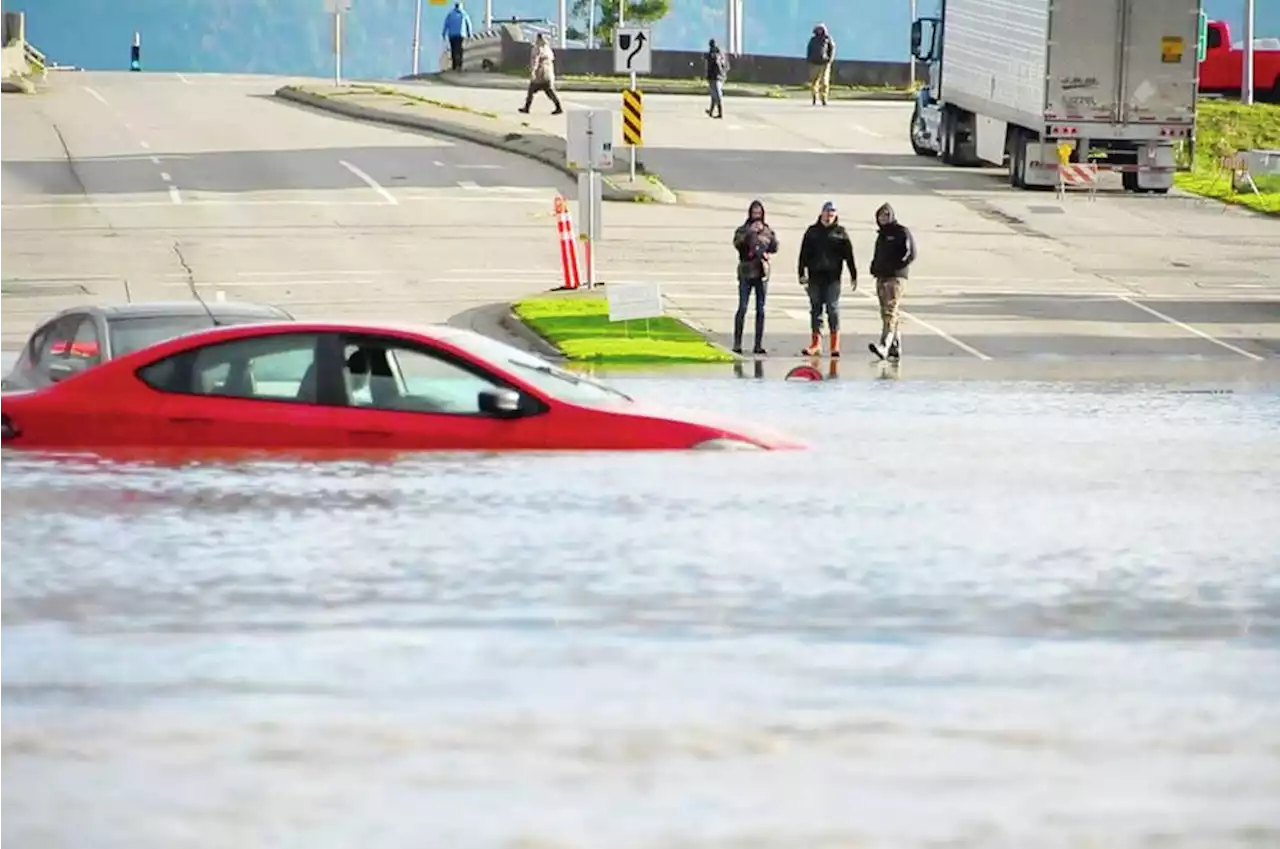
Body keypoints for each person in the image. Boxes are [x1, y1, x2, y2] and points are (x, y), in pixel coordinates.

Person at [797, 200, 857, 357]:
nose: (829, 215)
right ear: (822, 213)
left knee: (833, 309)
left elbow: (849, 255)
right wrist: (801, 273)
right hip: (815, 277)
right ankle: (815, 344)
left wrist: (853, 275)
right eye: (827, 211)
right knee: (815, 309)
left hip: (833, 278)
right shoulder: (812, 231)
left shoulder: (841, 233)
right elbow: (803, 254)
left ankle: (834, 345)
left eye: (832, 212)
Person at [868, 202, 916, 361]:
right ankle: (895, 345)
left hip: (895, 278)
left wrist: (896, 267)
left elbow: (910, 253)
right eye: (881, 215)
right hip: (881, 277)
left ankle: (884, 345)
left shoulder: (901, 232)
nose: (883, 218)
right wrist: (874, 266)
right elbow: (878, 254)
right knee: (887, 313)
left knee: (890, 310)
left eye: (886, 215)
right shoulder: (881, 235)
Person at [731, 199, 778, 355]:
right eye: (754, 213)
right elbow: (737, 244)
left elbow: (774, 246)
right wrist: (750, 233)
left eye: (759, 213)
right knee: (742, 307)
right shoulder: (743, 230)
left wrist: (765, 240)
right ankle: (737, 343)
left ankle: (758, 344)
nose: (757, 216)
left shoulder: (767, 230)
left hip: (761, 273)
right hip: (746, 271)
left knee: (760, 309)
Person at [519, 33, 563, 115]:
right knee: (550, 91)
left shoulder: (537, 48)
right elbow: (552, 59)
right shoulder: (548, 49)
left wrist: (533, 71)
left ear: (538, 39)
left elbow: (536, 60)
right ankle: (558, 107)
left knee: (531, 90)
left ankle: (527, 108)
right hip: (548, 74)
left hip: (540, 74)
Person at [805, 23, 835, 106]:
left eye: (821, 29)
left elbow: (832, 49)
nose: (819, 31)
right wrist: (809, 59)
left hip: (824, 63)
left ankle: (824, 98)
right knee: (814, 81)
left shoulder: (827, 39)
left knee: (824, 81)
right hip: (814, 63)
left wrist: (830, 59)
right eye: (818, 29)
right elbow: (809, 49)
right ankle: (814, 96)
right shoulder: (813, 39)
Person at [442, 2, 473, 72]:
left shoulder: (450, 14)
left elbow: (446, 24)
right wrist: (470, 35)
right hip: (461, 35)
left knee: (453, 50)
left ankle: (454, 65)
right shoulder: (464, 14)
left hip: (452, 35)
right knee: (460, 49)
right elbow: (469, 25)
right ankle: (459, 65)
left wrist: (443, 34)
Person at [704, 38, 728, 119]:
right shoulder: (719, 54)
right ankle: (711, 111)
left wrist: (721, 74)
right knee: (714, 95)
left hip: (715, 77)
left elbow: (717, 66)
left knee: (716, 95)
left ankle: (720, 113)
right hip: (716, 77)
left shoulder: (715, 55)